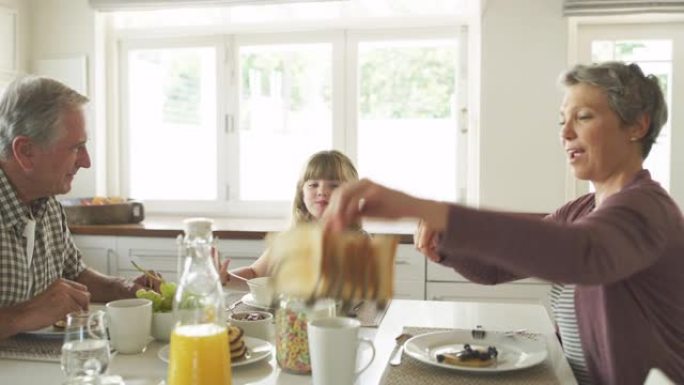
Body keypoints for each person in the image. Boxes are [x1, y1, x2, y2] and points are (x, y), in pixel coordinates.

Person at [322, 62, 684, 385]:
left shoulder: (647, 208)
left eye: (584, 117)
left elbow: (581, 254)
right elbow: (496, 268)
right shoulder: (580, 210)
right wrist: (445, 243)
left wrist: (430, 209)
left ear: (637, 125)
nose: (565, 133)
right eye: (562, 121)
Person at [0, 76, 160, 339]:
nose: (86, 162)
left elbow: (76, 275)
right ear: (26, 151)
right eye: (76, 147)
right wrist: (21, 316)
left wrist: (125, 288)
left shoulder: (48, 203)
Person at [219, 149, 360, 289]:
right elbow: (254, 274)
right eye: (313, 185)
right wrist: (224, 278)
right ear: (301, 193)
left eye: (334, 185)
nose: (322, 191)